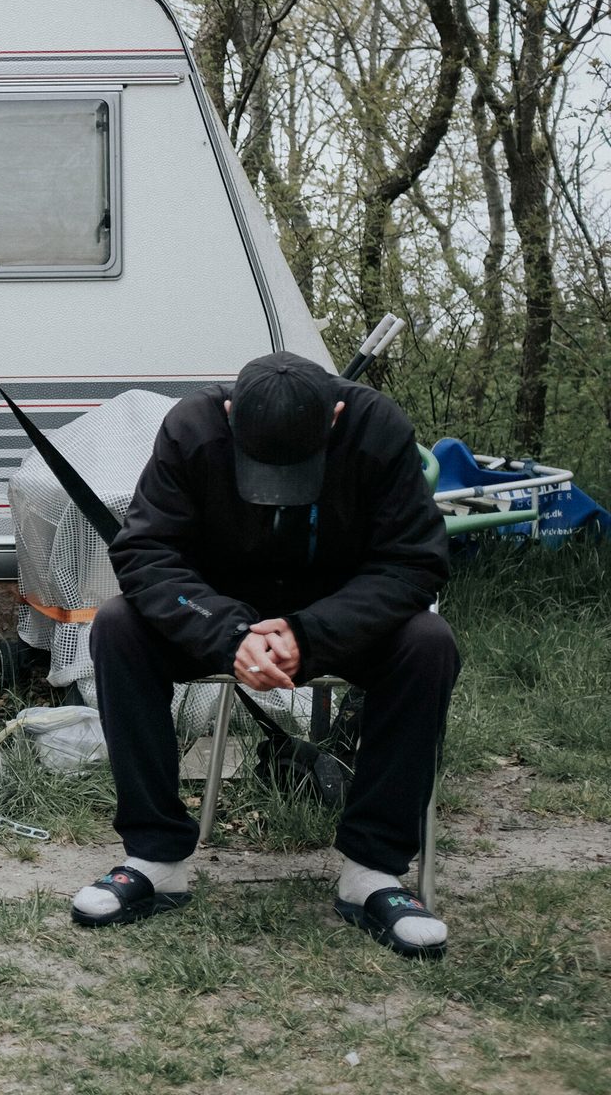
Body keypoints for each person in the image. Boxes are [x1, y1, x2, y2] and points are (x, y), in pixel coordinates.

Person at [70, 351, 459, 959]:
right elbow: (146, 552)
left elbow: (415, 561)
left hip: (341, 613)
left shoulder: (378, 429)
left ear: (333, 416)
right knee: (118, 626)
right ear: (230, 414)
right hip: (220, 609)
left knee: (429, 644)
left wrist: (311, 633)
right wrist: (230, 635)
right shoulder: (191, 428)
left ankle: (371, 874)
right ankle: (156, 859)